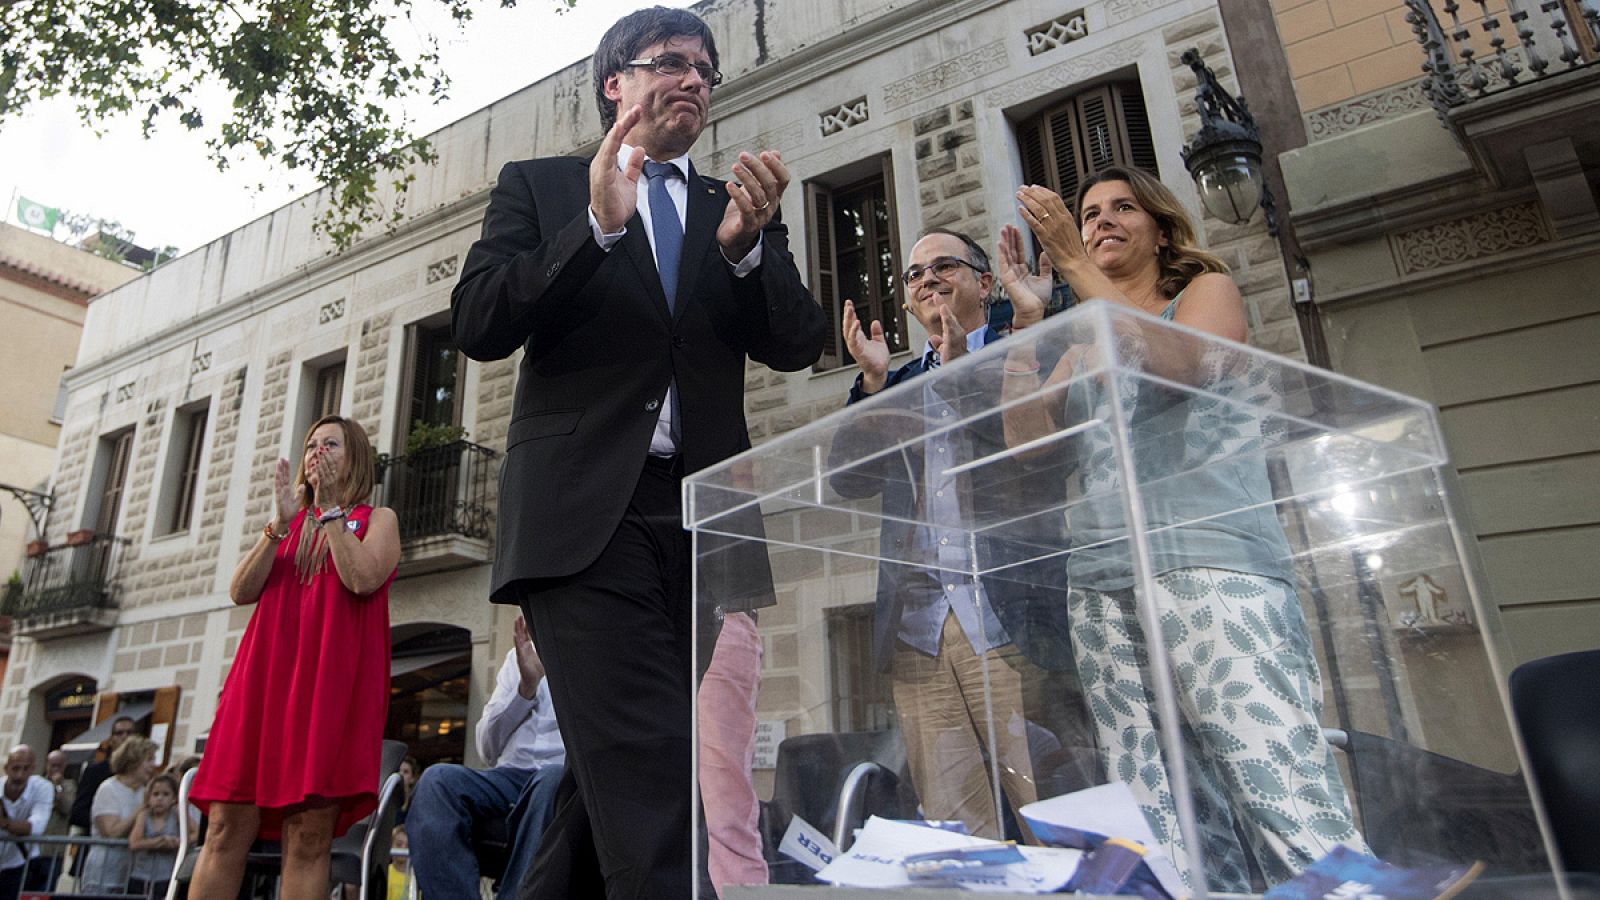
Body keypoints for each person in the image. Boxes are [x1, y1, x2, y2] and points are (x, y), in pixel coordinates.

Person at [450, 5, 825, 897]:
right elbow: (477, 323)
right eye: (670, 61)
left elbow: (799, 340)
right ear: (614, 83)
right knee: (656, 771)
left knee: (608, 784)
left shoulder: (731, 204)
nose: (693, 77)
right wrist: (596, 229)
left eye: (706, 68)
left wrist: (743, 254)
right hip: (585, 522)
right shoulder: (542, 187)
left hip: (706, 526)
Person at [998, 167, 1365, 888]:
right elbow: (1024, 447)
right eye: (1089, 213)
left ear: (1162, 230)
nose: (1100, 221)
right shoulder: (1079, 348)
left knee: (1273, 776)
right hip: (1105, 580)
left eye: (1121, 208)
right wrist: (1025, 325)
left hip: (1210, 561)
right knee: (1160, 802)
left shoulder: (1205, 294)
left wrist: (1072, 258)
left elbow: (1183, 366)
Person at [826, 228, 1092, 840]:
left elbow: (1037, 451)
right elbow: (845, 478)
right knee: (958, 827)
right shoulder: (896, 382)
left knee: (1057, 819)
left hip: (1009, 623)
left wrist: (956, 366)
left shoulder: (1027, 352)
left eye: (943, 265)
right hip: (918, 635)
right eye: (914, 273)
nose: (926, 279)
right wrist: (869, 386)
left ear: (986, 283)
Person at [187, 414, 400, 900]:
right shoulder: (287, 524)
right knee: (222, 828)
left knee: (308, 837)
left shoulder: (377, 519)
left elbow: (362, 578)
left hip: (327, 690)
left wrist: (327, 513)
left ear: (356, 459)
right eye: (311, 445)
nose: (316, 453)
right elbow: (241, 591)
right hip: (263, 686)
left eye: (331, 445)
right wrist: (277, 526)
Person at [408, 615, 564, 900]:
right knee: (436, 780)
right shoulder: (516, 658)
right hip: (507, 777)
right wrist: (525, 689)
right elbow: (487, 750)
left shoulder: (594, 658)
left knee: (550, 782)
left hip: (560, 778)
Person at [79, 736, 159, 893]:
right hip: (104, 876)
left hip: (132, 876)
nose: (153, 766)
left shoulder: (144, 791)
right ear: (134, 760)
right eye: (149, 760)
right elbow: (111, 832)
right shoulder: (109, 789)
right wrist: (141, 808)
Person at [0, 745, 52, 900]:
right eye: (15, 768)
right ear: (6, 768)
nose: (19, 775)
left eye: (25, 769)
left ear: (33, 769)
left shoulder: (43, 787)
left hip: (21, 865)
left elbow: (37, 826)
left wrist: (4, 823)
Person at [68, 716, 135, 834]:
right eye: (119, 733)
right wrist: (107, 821)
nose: (125, 737)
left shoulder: (141, 773)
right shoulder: (95, 771)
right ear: (111, 740)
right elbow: (78, 813)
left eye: (129, 733)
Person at [126, 772, 183, 898]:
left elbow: (195, 834)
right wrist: (159, 842)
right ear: (149, 797)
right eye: (155, 794)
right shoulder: (144, 816)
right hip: (141, 876)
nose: (160, 799)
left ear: (174, 798)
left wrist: (179, 842)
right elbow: (134, 843)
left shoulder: (177, 815)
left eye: (166, 794)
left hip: (166, 877)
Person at [23, 748, 72, 892]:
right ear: (46, 765)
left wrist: (58, 788)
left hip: (53, 852)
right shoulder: (35, 784)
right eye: (52, 765)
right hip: (31, 850)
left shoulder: (69, 786)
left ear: (64, 766)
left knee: (44, 892)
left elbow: (67, 807)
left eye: (59, 765)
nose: (55, 769)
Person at [386, 825, 413, 900]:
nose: (403, 849)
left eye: (408, 846)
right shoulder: (385, 873)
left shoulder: (418, 876)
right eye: (399, 844)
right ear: (391, 846)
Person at [393, 757, 419, 827]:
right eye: (398, 771)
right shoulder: (389, 801)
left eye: (406, 772)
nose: (401, 774)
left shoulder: (416, 804)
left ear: (412, 778)